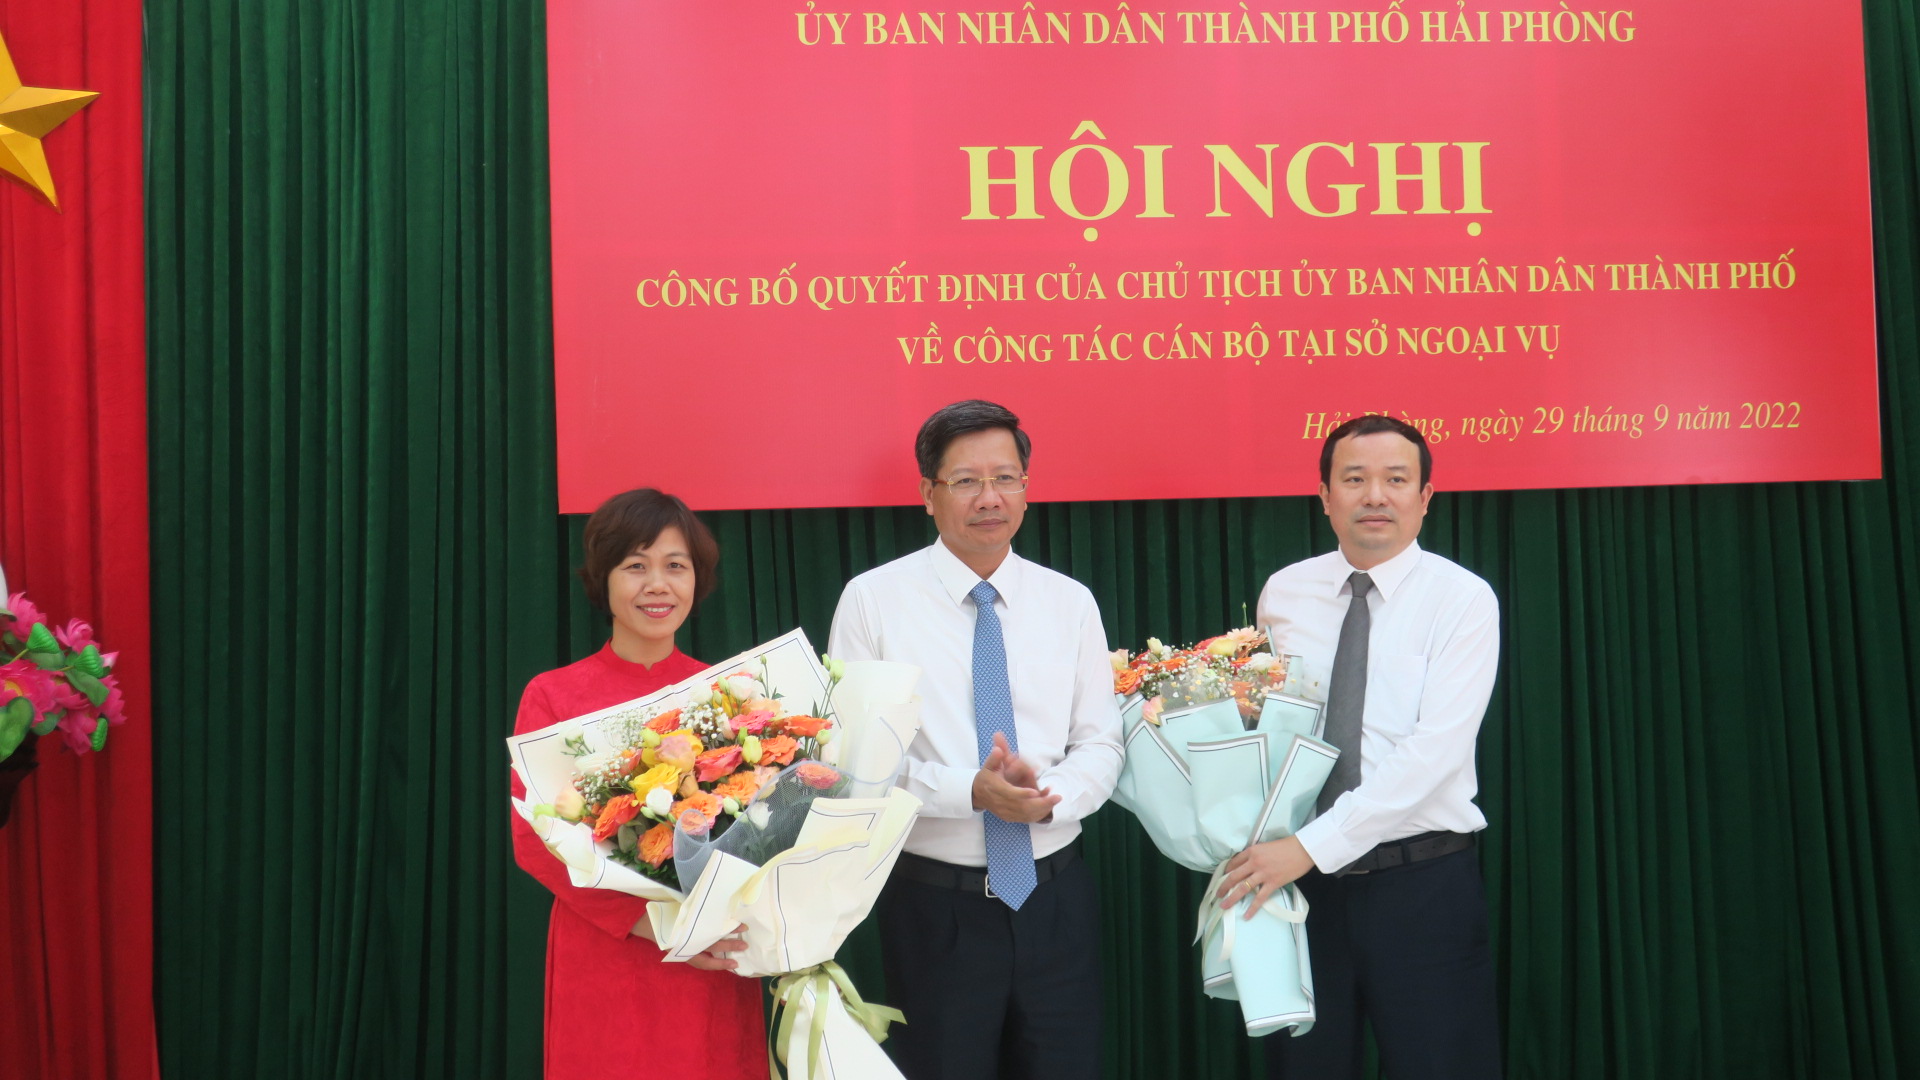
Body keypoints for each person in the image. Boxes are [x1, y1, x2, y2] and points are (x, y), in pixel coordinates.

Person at [827, 399, 1124, 1080]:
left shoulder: (1069, 602)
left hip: (1057, 903)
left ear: (1026, 487)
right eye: (965, 481)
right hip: (935, 909)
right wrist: (971, 791)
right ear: (928, 493)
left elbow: (1102, 744)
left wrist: (1046, 797)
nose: (989, 498)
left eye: (1005, 478)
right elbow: (855, 764)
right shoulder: (873, 601)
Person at [1220, 414, 1503, 1080]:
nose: (1375, 495)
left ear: (1425, 497)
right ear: (1325, 496)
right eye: (1354, 479)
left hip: (1421, 886)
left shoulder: (1462, 599)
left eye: (1396, 480)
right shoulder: (1285, 592)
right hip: (1300, 891)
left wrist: (1310, 846)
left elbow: (1433, 754)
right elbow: (1266, 727)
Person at [509, 488, 765, 1078]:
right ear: (603, 579)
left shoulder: (728, 697)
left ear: (697, 579)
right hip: (608, 950)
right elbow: (535, 844)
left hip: (714, 954)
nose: (658, 585)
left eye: (676, 566)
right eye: (635, 566)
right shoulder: (552, 696)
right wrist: (661, 930)